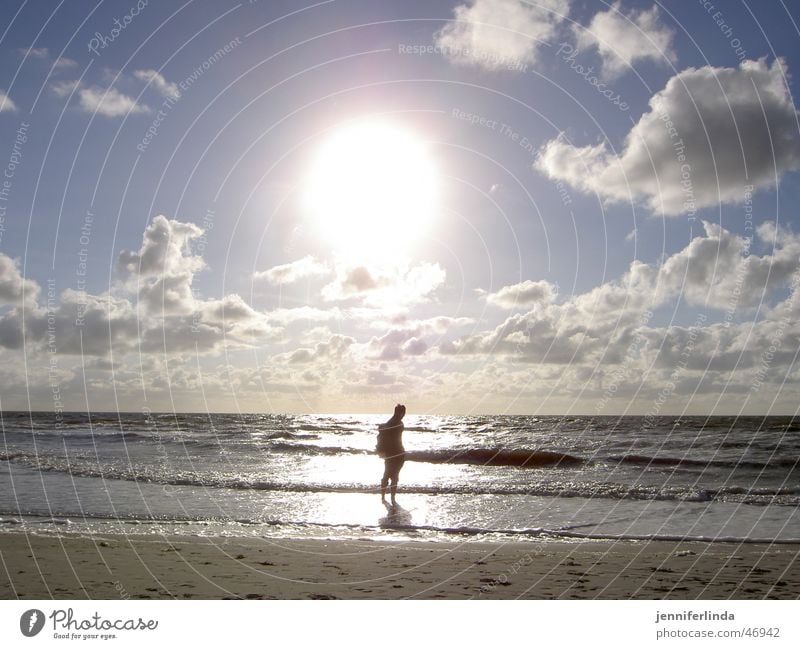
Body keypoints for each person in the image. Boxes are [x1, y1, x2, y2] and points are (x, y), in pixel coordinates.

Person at [376, 404, 406, 505]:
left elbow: (383, 430)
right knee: (392, 476)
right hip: (397, 453)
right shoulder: (398, 424)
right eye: (403, 412)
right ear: (399, 412)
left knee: (388, 475)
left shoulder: (391, 423)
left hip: (392, 453)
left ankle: (384, 497)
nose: (403, 414)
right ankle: (389, 498)